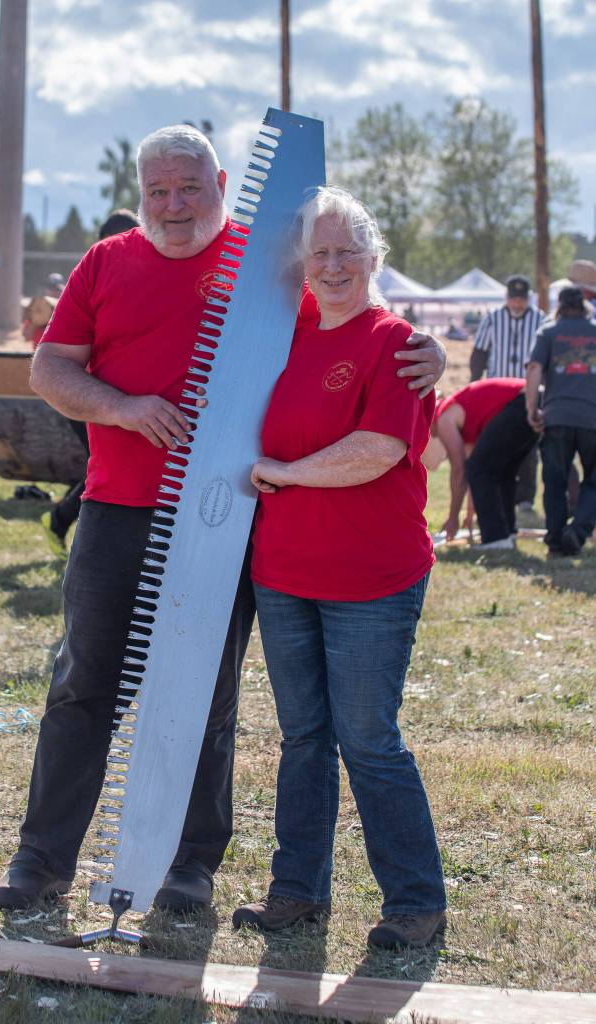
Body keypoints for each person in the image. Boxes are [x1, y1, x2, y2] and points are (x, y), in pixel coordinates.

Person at [0, 124, 447, 913]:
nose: (173, 205)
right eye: (157, 190)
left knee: (206, 689)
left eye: (189, 187)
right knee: (82, 682)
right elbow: (51, 369)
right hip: (118, 507)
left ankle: (190, 865)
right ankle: (42, 863)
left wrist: (425, 351)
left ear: (222, 182)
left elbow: (350, 305)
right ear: (140, 195)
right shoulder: (107, 261)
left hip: (226, 515)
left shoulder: (271, 267)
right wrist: (124, 409)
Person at [232, 187, 446, 950]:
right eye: (318, 253)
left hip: (372, 578)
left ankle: (416, 902)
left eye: (346, 252)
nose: (331, 266)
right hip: (283, 572)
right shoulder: (283, 333)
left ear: (374, 260)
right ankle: (297, 893)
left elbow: (377, 452)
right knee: (302, 738)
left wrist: (282, 473)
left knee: (368, 738)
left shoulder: (398, 343)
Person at [40, 208, 140, 559]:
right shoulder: (93, 276)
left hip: (121, 402)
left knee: (107, 464)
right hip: (89, 400)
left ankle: (59, 519)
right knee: (105, 464)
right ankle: (58, 520)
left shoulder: (137, 277)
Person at [526, 287, 596, 556]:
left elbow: (533, 369)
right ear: (584, 306)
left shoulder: (549, 331)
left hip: (556, 417)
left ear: (560, 306)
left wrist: (532, 408)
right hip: (592, 418)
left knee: (555, 481)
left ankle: (556, 539)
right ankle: (578, 532)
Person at [431, 379, 539, 549]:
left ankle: (496, 539)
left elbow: (460, 471)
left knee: (482, 469)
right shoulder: (462, 418)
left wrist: (453, 518)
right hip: (535, 399)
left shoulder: (443, 417)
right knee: (502, 472)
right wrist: (469, 512)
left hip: (521, 401)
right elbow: (473, 471)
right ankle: (506, 533)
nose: (433, 437)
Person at [470, 275, 545, 511]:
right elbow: (480, 353)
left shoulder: (540, 320)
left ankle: (525, 498)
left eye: (521, 299)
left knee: (528, 446)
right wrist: (475, 383)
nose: (517, 304)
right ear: (507, 297)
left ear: (528, 299)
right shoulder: (492, 319)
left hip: (528, 391)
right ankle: (502, 491)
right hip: (497, 394)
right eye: (514, 299)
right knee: (497, 443)